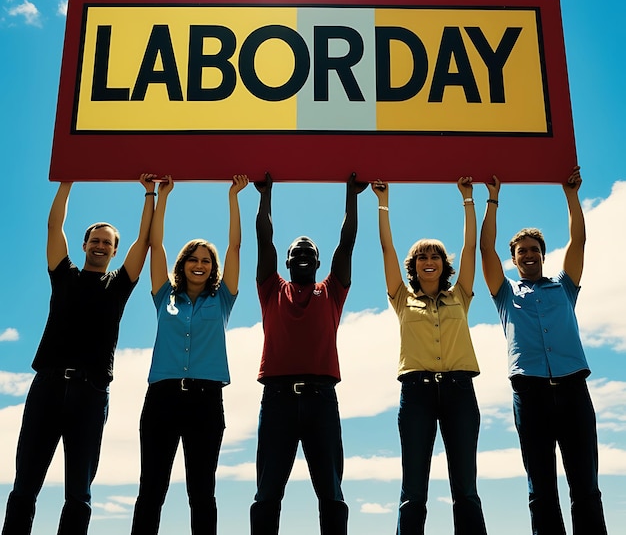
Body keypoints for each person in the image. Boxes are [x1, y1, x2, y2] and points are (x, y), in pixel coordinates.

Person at [2, 175, 156, 535]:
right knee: (25, 486)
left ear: (114, 251)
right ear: (85, 244)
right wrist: (67, 181)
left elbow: (145, 241)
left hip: (90, 394)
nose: (100, 245)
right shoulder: (64, 274)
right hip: (48, 387)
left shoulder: (118, 285)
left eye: (107, 243)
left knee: (78, 495)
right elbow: (55, 225)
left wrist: (150, 194)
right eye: (95, 240)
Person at [479, 166, 607, 535]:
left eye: (535, 249)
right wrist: (493, 199)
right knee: (541, 491)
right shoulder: (505, 294)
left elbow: (579, 242)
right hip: (530, 394)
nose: (529, 255)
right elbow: (485, 248)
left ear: (543, 255)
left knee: (585, 487)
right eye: (522, 251)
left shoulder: (565, 286)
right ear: (514, 259)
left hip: (573, 391)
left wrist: (571, 195)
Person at [130, 174, 249, 535]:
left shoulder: (223, 299)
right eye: (193, 259)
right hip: (162, 399)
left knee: (202, 492)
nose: (200, 265)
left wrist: (233, 197)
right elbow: (155, 244)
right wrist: (160, 197)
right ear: (182, 264)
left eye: (207, 261)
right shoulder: (163, 294)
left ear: (213, 268)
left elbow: (235, 247)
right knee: (152, 489)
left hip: (205, 401)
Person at [249, 173, 367, 535]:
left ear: (318, 263)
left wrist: (351, 194)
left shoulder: (332, 290)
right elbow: (263, 239)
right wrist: (265, 196)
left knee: (331, 492)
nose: (302, 255)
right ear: (285, 263)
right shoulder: (272, 288)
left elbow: (346, 244)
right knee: (268, 493)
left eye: (309, 253)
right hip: (278, 400)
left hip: (321, 400)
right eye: (295, 252)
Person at [372, 179, 487, 535]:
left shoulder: (461, 295)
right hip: (417, 393)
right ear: (414, 265)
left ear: (443, 264)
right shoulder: (402, 298)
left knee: (465, 489)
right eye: (422, 255)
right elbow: (387, 249)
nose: (429, 260)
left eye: (434, 255)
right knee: (414, 490)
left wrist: (468, 199)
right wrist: (383, 203)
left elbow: (470, 247)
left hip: (459, 392)